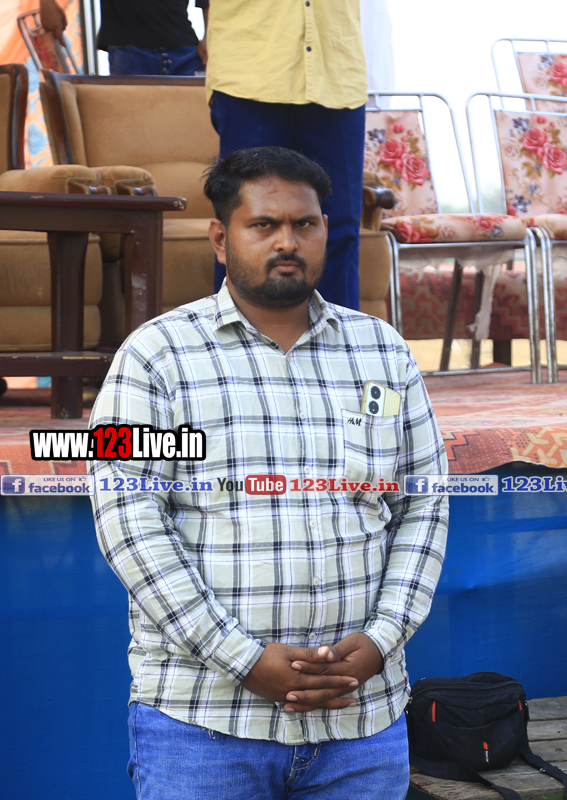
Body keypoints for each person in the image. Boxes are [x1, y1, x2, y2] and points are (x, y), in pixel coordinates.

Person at [88, 147, 448, 799]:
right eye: (264, 225)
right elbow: (127, 520)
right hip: (204, 725)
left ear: (325, 231)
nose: (287, 242)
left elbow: (423, 503)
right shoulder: (152, 356)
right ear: (221, 238)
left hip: (361, 723)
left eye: (304, 224)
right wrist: (243, 660)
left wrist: (381, 640)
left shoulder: (383, 352)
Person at [204, 0, 367, 309]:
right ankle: (235, 337)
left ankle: (336, 338)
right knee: (246, 221)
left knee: (339, 228)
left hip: (336, 72)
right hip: (251, 69)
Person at [39, 0, 208, 76]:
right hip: (130, 52)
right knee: (133, 129)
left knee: (194, 128)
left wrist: (209, 35)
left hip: (186, 53)